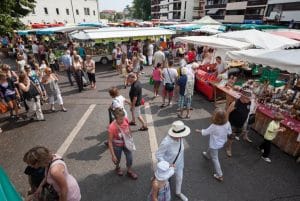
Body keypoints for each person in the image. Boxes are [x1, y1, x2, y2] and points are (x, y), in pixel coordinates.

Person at [156, 121, 190, 201]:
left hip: (179, 164)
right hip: (168, 166)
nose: (183, 136)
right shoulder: (166, 142)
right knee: (165, 184)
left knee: (179, 178)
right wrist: (168, 165)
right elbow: (158, 155)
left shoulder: (180, 138)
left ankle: (178, 192)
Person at [195, 108, 232, 181]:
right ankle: (207, 154)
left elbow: (206, 132)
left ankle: (219, 175)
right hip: (222, 142)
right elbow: (229, 132)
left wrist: (199, 131)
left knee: (215, 158)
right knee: (212, 149)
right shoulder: (227, 123)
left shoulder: (214, 126)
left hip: (214, 144)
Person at [108, 108, 138, 179]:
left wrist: (130, 136)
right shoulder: (112, 127)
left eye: (123, 118)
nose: (122, 121)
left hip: (126, 144)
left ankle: (129, 171)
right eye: (120, 119)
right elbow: (109, 142)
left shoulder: (125, 120)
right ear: (115, 118)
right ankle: (117, 167)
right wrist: (113, 155)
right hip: (117, 146)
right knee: (117, 159)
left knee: (130, 158)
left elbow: (128, 127)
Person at [225, 89, 251, 157]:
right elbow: (227, 112)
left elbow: (247, 113)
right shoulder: (235, 103)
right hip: (232, 124)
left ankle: (228, 136)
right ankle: (228, 148)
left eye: (249, 98)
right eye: (247, 98)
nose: (249, 100)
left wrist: (245, 123)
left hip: (241, 124)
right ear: (242, 96)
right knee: (231, 137)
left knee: (238, 134)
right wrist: (227, 123)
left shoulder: (248, 103)